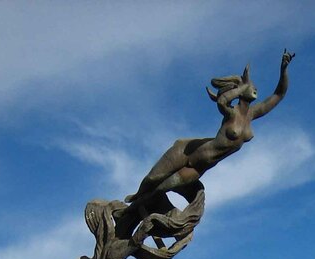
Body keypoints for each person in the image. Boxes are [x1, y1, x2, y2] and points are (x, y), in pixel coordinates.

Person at [118, 50, 295, 217]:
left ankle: (134, 211)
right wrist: (243, 86)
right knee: (153, 178)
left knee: (160, 189)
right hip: (188, 152)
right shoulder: (231, 113)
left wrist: (283, 69)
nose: (255, 88)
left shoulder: (251, 115)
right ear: (241, 91)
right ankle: (135, 197)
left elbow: (278, 95)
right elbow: (223, 101)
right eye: (252, 86)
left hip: (199, 167)